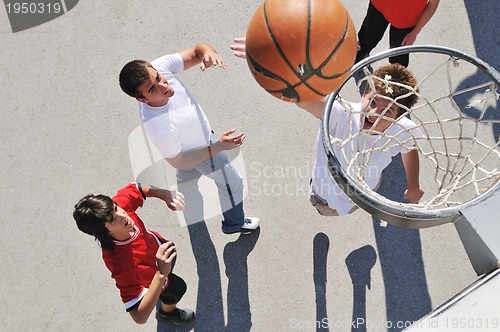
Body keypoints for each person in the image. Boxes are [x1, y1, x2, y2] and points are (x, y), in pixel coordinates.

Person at [230, 39, 424, 216]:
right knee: (325, 207)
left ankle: (364, 193)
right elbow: (301, 97)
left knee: (367, 189)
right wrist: (273, 62)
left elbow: (410, 148)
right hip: (327, 198)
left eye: (387, 111)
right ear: (363, 94)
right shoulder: (341, 115)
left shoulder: (403, 130)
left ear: (399, 118)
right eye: (373, 101)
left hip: (366, 190)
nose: (374, 112)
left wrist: (413, 184)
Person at [119, 43, 259, 235]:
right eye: (153, 89)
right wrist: (218, 146)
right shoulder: (159, 128)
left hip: (191, 142)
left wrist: (208, 53)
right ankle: (234, 224)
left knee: (186, 169)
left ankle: (186, 179)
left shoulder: (159, 67)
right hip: (202, 151)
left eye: (159, 77)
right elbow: (179, 160)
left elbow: (196, 51)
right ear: (142, 100)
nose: (164, 85)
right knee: (233, 183)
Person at [72, 182, 195, 325]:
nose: (122, 215)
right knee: (177, 289)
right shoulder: (121, 265)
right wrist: (161, 274)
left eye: (115, 208)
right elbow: (139, 317)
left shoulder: (119, 209)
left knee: (171, 254)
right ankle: (166, 313)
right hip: (158, 277)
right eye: (112, 220)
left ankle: (155, 296)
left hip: (161, 252)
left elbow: (138, 188)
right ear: (104, 232)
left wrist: (163, 194)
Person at [356, 0, 440, 67]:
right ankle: (359, 55)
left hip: (406, 20)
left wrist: (414, 32)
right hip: (380, 5)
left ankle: (395, 80)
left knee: (398, 57)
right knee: (367, 37)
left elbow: (433, 4)